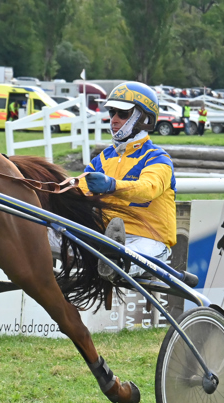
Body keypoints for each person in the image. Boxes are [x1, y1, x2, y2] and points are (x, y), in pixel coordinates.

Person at [79, 81, 176, 278]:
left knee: (112, 263)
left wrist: (111, 186)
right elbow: (78, 187)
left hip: (150, 239)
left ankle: (113, 265)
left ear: (144, 118)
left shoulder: (158, 158)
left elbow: (148, 188)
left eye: (122, 114)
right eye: (112, 113)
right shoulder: (102, 158)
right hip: (106, 238)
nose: (113, 120)